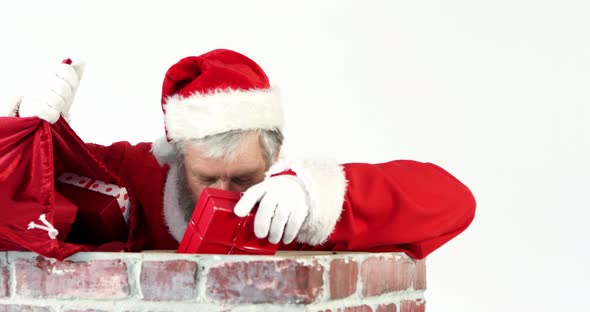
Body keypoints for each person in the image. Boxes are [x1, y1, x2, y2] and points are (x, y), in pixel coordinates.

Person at [10, 49, 476, 259]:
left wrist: (318, 197)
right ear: (177, 155)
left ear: (271, 160)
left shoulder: (288, 207)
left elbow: (452, 202)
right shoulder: (132, 175)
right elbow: (34, 194)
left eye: (242, 178)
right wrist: (28, 132)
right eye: (207, 177)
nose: (222, 193)